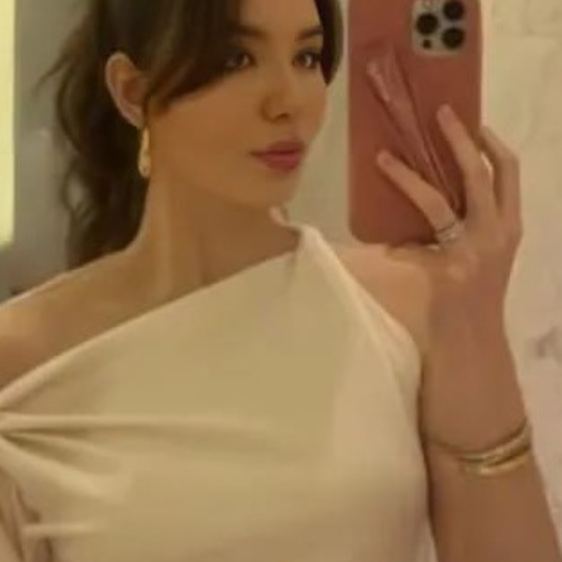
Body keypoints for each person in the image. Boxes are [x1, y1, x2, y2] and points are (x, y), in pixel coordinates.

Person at [0, 0, 560, 561]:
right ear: (131, 91)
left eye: (306, 57)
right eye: (237, 59)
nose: (289, 100)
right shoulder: (24, 362)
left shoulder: (406, 307)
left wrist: (476, 320)